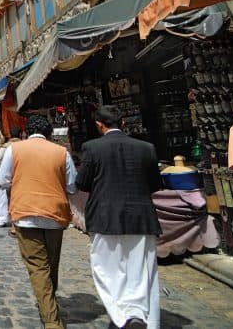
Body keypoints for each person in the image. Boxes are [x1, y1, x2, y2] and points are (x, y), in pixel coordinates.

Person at [76, 106, 163, 329]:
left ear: (99, 125)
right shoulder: (146, 148)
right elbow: (155, 184)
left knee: (106, 268)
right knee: (141, 269)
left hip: (105, 216)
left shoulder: (92, 148)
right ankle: (137, 313)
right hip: (141, 216)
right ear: (123, 123)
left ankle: (124, 314)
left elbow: (82, 183)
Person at [0, 115, 76, 329]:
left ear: (26, 132)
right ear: (49, 133)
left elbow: (2, 180)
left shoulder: (15, 150)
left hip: (25, 214)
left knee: (38, 267)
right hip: (55, 215)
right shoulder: (61, 152)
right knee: (51, 264)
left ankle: (51, 320)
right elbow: (72, 186)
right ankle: (48, 304)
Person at [0, 127, 22, 235]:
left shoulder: (6, 147)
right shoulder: (24, 145)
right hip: (23, 177)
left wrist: (4, 166)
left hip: (10, 178)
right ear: (20, 134)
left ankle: (14, 225)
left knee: (11, 201)